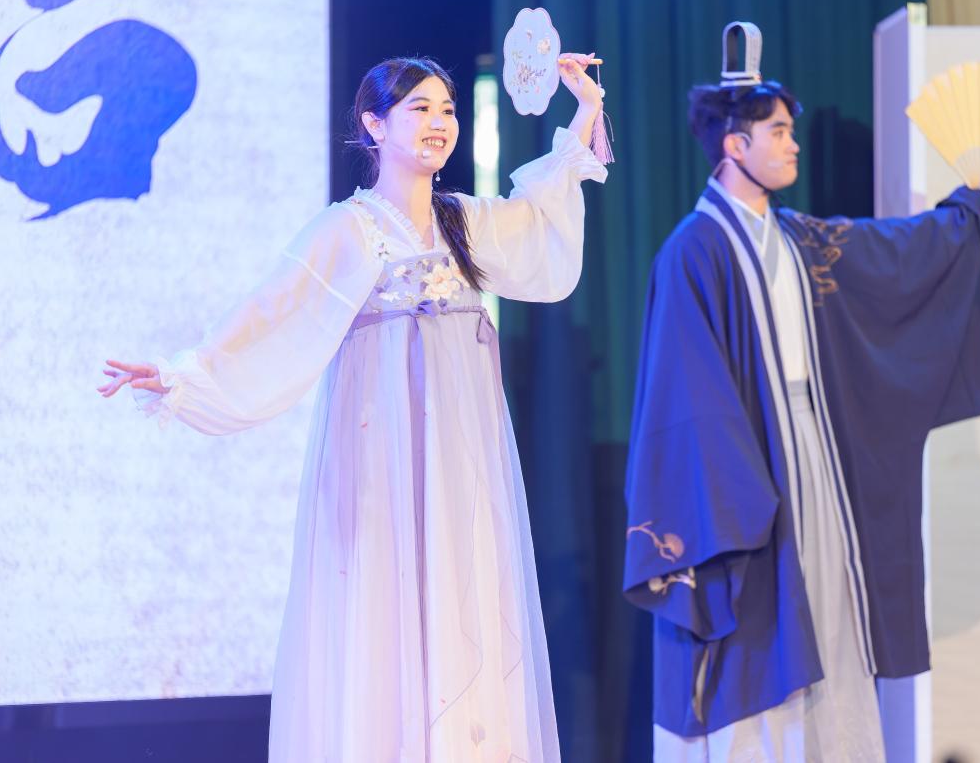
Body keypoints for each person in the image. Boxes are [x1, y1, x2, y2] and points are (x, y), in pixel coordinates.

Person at [99, 54, 607, 761]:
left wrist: (585, 108)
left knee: (463, 597)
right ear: (374, 124)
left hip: (461, 466)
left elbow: (542, 214)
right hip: (382, 464)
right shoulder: (348, 228)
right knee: (384, 612)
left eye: (447, 109)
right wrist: (182, 374)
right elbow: (270, 313)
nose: (439, 122)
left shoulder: (465, 222)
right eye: (419, 108)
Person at [623, 23, 980, 761]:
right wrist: (743, 495)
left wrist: (964, 212)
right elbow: (685, 398)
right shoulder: (692, 252)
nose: (793, 145)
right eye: (777, 132)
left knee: (832, 626)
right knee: (755, 643)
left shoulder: (801, 240)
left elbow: (894, 254)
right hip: (745, 479)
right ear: (734, 144)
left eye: (790, 131)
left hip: (812, 459)